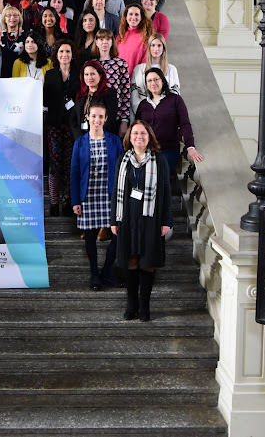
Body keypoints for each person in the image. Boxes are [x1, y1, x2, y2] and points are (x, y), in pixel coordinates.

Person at [111, 120, 172, 321]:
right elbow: (115, 192)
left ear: (149, 137)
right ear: (130, 137)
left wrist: (166, 221)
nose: (139, 136)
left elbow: (165, 191)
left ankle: (144, 306)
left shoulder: (159, 160)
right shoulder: (123, 160)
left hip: (151, 218)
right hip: (127, 217)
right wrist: (113, 219)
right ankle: (131, 305)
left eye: (143, 133)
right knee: (130, 261)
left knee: (148, 262)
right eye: (135, 133)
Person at [70, 102, 123, 289]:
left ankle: (107, 271)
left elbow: (122, 170)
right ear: (88, 117)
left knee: (118, 234)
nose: (97, 120)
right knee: (90, 236)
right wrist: (75, 200)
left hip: (110, 194)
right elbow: (75, 173)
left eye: (101, 116)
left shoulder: (115, 141)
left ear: (106, 119)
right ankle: (94, 275)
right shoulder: (80, 143)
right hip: (88, 194)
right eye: (93, 116)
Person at [136, 68, 203, 174]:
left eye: (156, 79)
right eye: (149, 80)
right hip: (146, 151)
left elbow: (185, 124)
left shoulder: (175, 100)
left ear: (162, 81)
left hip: (168, 151)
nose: (153, 83)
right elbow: (136, 128)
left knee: (161, 181)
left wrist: (190, 146)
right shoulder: (143, 104)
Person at [44, 39, 81, 216]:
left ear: (72, 55)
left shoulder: (79, 74)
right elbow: (45, 100)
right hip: (54, 125)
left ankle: (67, 201)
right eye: (61, 52)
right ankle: (53, 202)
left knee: (69, 164)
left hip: (72, 126)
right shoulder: (50, 74)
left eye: (67, 52)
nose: (64, 55)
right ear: (56, 55)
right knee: (54, 164)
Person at [131, 33, 180, 119]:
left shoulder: (172, 69)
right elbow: (134, 96)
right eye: (153, 45)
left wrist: (161, 112)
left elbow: (175, 94)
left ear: (163, 48)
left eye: (159, 45)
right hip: (143, 116)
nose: (156, 49)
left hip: (166, 116)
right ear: (149, 48)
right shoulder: (138, 69)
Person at [92, 29, 130, 139]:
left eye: (108, 39)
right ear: (97, 42)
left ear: (112, 42)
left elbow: (125, 93)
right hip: (95, 116)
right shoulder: (91, 64)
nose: (104, 42)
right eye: (101, 39)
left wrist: (124, 121)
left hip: (115, 116)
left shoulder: (120, 64)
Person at [70, 60, 118, 140]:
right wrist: (80, 138)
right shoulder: (81, 94)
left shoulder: (109, 93)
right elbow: (73, 119)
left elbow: (110, 119)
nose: (89, 77)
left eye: (92, 74)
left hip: (101, 138)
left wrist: (95, 136)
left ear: (100, 76)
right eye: (86, 74)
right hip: (81, 139)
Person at [116, 4, 154, 75]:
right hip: (119, 80)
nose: (133, 17)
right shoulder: (119, 37)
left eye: (136, 14)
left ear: (141, 17)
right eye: (130, 14)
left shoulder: (146, 38)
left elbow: (145, 63)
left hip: (136, 80)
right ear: (126, 17)